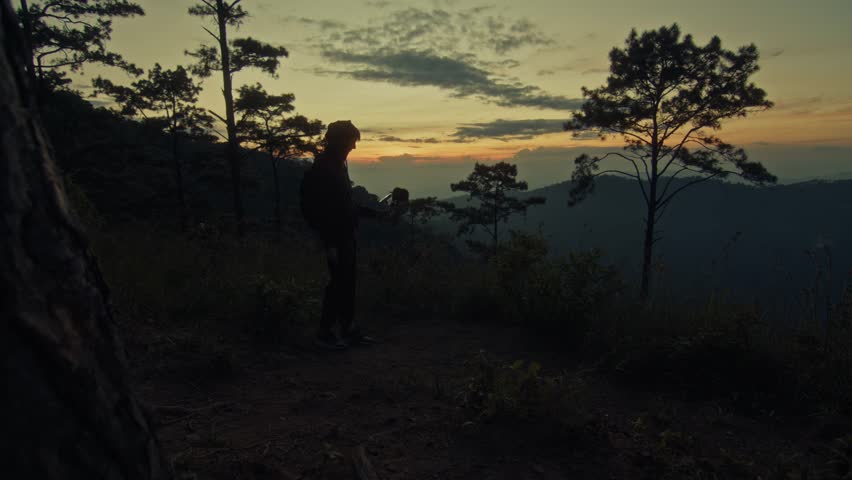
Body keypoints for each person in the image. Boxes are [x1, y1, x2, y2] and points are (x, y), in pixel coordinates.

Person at [301, 120, 377, 350]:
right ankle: (325, 334)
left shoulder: (336, 167)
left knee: (346, 282)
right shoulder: (324, 170)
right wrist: (329, 241)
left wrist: (375, 214)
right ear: (339, 141)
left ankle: (346, 330)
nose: (354, 147)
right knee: (338, 284)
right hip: (335, 237)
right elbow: (320, 210)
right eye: (352, 142)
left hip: (344, 235)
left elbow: (347, 205)